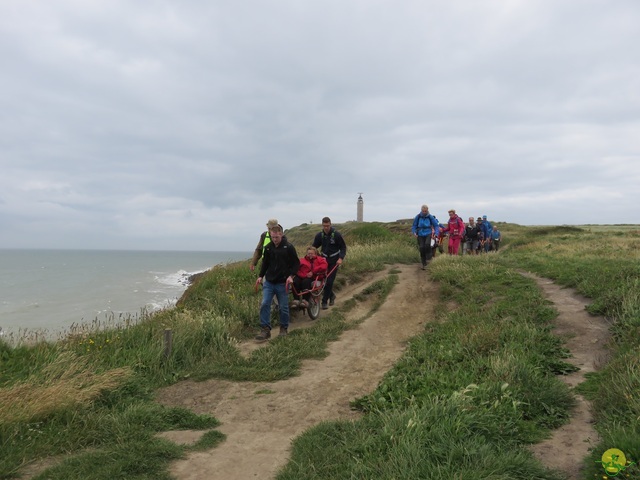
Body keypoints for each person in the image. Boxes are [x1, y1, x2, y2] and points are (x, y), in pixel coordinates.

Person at [255, 224, 300, 340]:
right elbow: (265, 263)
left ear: (281, 235)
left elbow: (296, 264)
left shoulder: (289, 247)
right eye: (273, 237)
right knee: (265, 303)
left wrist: (291, 276)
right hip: (269, 282)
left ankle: (283, 328)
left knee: (283, 307)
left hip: (282, 282)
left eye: (277, 237)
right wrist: (260, 276)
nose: (275, 240)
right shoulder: (269, 247)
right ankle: (265, 330)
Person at [313, 217, 347, 310]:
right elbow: (314, 247)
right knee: (323, 282)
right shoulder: (319, 235)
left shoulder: (336, 235)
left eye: (327, 226)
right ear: (322, 225)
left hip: (334, 261)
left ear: (330, 224)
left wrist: (341, 258)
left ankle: (324, 302)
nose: (326, 228)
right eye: (324, 226)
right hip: (323, 261)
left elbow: (343, 247)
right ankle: (332, 296)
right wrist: (314, 256)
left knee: (329, 281)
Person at [411, 205, 437, 269]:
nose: (424, 212)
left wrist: (436, 233)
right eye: (423, 211)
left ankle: (429, 257)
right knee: (421, 247)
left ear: (427, 210)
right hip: (420, 233)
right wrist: (414, 232)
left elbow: (436, 225)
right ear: (421, 210)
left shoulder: (430, 217)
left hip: (428, 232)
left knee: (427, 244)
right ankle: (423, 263)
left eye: (425, 211)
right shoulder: (418, 216)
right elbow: (414, 225)